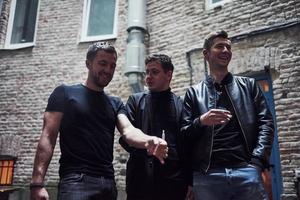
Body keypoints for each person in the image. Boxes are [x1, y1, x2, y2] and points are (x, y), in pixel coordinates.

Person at [30, 42, 168, 200]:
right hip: (76, 181)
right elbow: (48, 137)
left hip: (108, 184)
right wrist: (37, 184)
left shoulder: (115, 103)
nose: (108, 70)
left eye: (112, 66)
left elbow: (129, 131)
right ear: (88, 63)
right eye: (103, 63)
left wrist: (149, 140)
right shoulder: (64, 93)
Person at [181, 30, 274, 200]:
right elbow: (184, 136)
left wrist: (257, 162)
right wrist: (201, 121)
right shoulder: (194, 93)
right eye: (219, 46)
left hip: (246, 170)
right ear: (206, 54)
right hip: (207, 176)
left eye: (228, 47)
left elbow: (266, 124)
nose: (226, 51)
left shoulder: (249, 85)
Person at [119, 54, 192, 200]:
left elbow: (187, 146)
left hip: (173, 184)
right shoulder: (136, 101)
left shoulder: (180, 104)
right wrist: (148, 146)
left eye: (155, 72)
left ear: (168, 74)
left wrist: (190, 181)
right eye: (147, 72)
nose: (148, 77)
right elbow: (126, 140)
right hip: (140, 182)